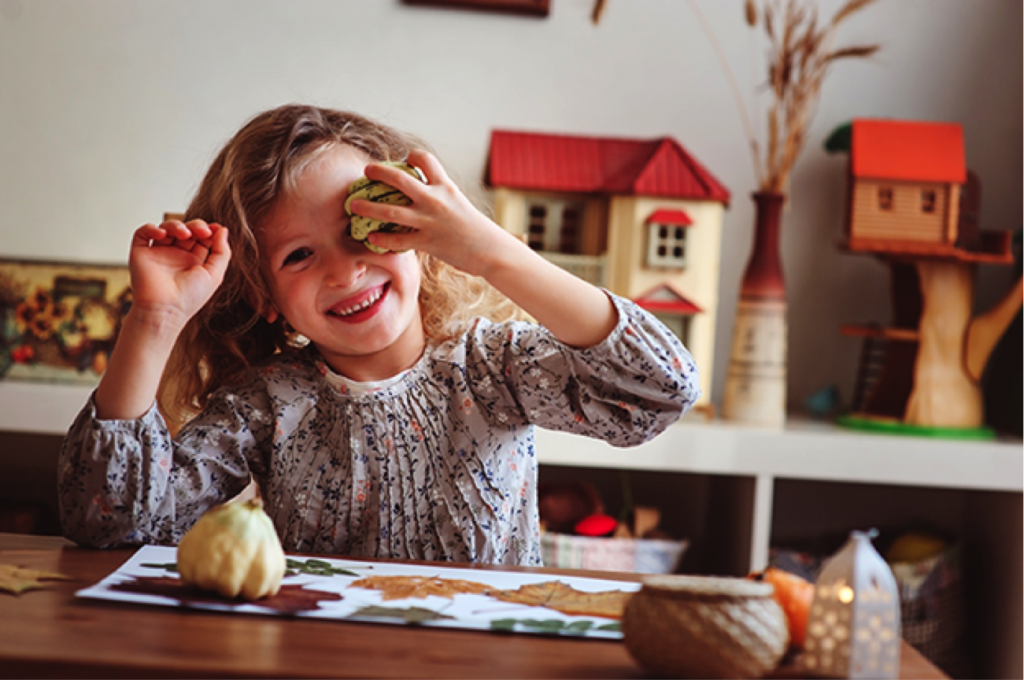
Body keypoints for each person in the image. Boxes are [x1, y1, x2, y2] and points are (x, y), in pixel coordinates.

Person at [58, 104, 700, 565]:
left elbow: (660, 391)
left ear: (421, 236)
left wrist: (491, 251)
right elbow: (112, 525)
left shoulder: (496, 368)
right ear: (267, 299)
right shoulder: (269, 405)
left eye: (361, 230)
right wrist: (156, 320)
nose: (345, 270)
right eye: (298, 257)